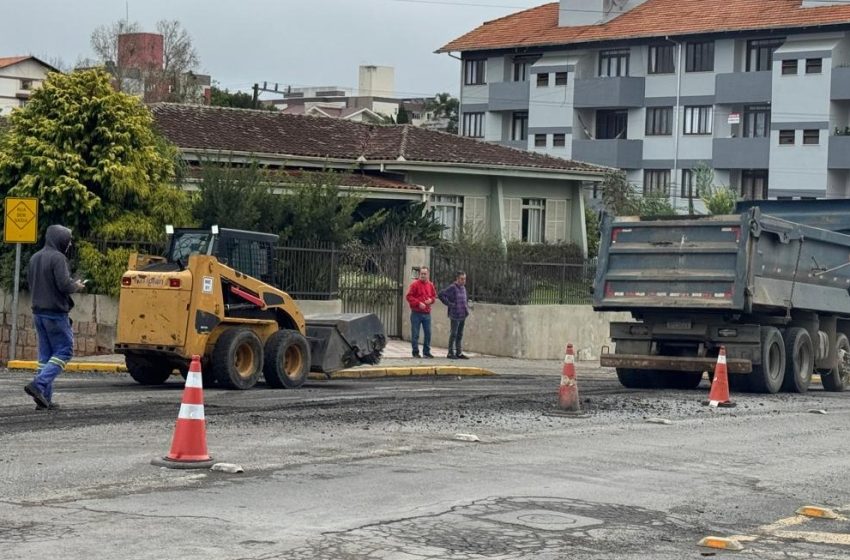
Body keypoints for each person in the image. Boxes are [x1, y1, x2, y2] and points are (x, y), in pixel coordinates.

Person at [24, 225, 85, 411]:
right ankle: (39, 385)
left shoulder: (35, 258)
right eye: (68, 239)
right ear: (60, 239)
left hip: (38, 313)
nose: (70, 243)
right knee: (64, 352)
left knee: (45, 356)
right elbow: (64, 285)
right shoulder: (58, 258)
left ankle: (44, 399)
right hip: (55, 314)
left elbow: (31, 282)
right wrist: (76, 286)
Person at [405, 266, 436, 358]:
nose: (423, 275)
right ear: (419, 274)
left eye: (424, 274)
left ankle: (426, 351)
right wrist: (418, 303)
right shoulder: (414, 285)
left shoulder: (430, 285)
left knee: (428, 333)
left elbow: (434, 296)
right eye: (421, 274)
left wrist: (431, 300)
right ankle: (415, 352)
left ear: (428, 274)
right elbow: (409, 297)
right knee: (415, 334)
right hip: (416, 313)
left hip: (427, 314)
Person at [438, 270, 470, 359]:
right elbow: (441, 294)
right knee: (454, 334)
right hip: (455, 314)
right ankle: (450, 352)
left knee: (460, 334)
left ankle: (459, 353)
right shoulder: (452, 287)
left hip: (463, 314)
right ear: (457, 279)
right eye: (461, 279)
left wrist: (466, 306)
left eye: (464, 279)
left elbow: (464, 299)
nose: (463, 281)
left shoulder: (463, 288)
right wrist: (450, 304)